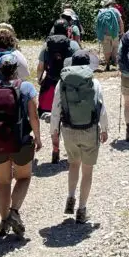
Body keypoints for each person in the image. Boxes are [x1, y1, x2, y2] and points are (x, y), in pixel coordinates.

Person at [0, 53, 43, 237]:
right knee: (24, 177)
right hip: (20, 141)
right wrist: (37, 137)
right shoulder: (26, 87)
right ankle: (13, 211)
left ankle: (4, 222)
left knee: (3, 182)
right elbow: (33, 116)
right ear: (16, 70)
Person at [51, 49, 108, 224]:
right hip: (89, 130)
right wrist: (104, 129)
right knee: (87, 171)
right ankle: (82, 209)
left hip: (69, 130)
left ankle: (70, 197)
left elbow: (56, 110)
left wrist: (54, 132)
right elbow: (101, 108)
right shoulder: (94, 83)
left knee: (73, 164)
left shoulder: (62, 84)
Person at [37, 20, 79, 163]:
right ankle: (70, 148)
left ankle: (55, 149)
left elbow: (40, 66)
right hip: (68, 84)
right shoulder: (73, 45)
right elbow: (79, 65)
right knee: (69, 117)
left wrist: (39, 79)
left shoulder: (46, 44)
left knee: (54, 117)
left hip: (51, 84)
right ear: (67, 30)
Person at [95, 0, 123, 72]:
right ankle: (114, 61)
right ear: (111, 4)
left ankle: (107, 64)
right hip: (114, 33)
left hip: (104, 34)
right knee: (115, 47)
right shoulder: (115, 10)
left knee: (106, 50)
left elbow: (97, 23)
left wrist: (98, 33)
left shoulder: (101, 11)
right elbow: (120, 21)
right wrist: (122, 31)